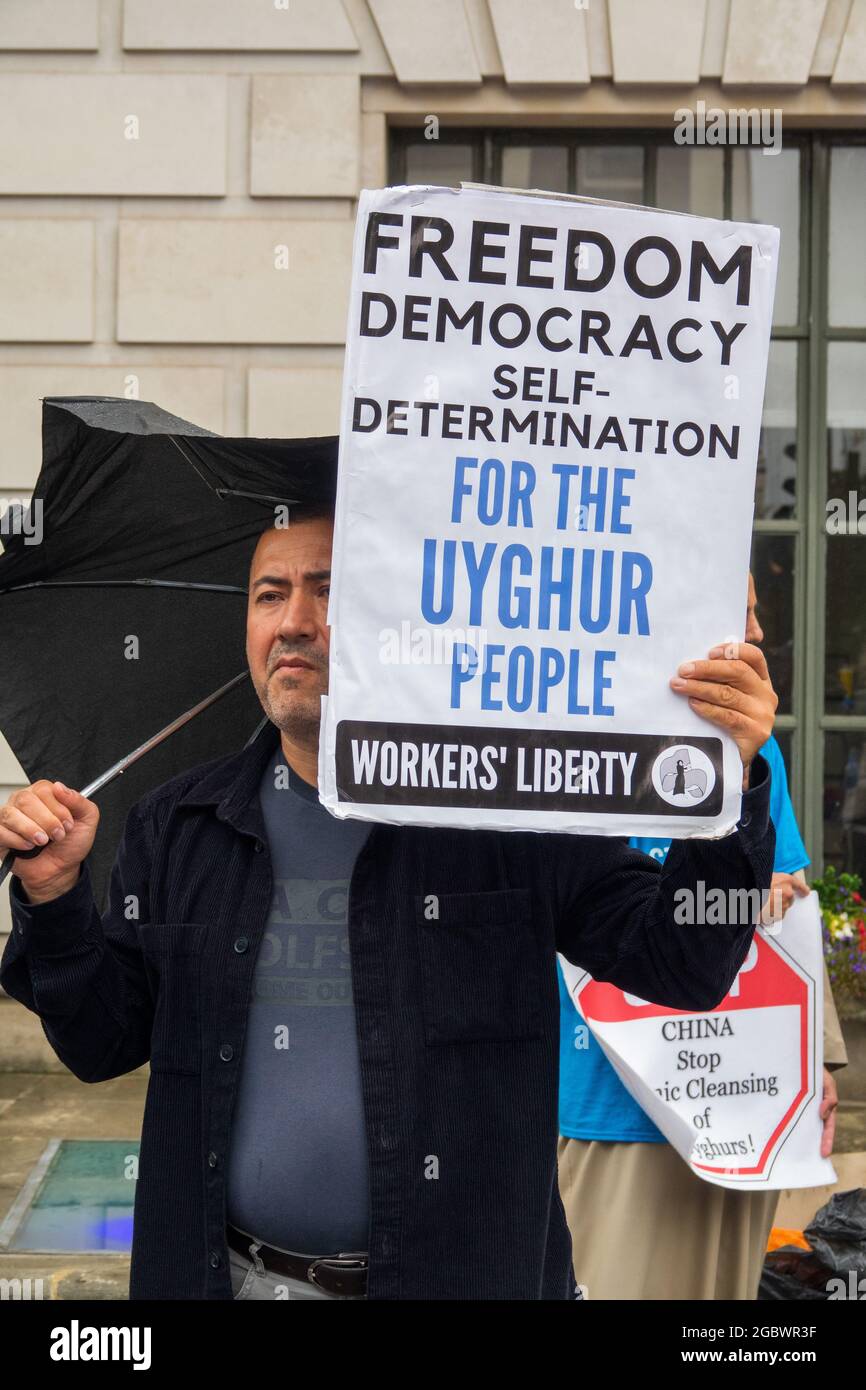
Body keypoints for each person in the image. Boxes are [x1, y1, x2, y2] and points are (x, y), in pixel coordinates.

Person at [0, 507, 778, 1301]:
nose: (294, 621)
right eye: (269, 595)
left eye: (329, 590)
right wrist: (54, 898)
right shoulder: (177, 826)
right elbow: (100, 1043)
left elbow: (684, 962)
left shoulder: (508, 814)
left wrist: (734, 784)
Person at [556, 573, 848, 1300]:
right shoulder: (576, 732)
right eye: (735, 611)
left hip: (745, 1104)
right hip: (611, 1107)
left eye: (756, 612)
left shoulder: (755, 748)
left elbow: (791, 904)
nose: (754, 632)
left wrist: (820, 1065)